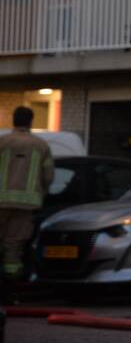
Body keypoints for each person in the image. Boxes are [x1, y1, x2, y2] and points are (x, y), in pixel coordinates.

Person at [0, 107, 54, 286]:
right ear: (31, 121)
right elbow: (48, 176)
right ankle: (10, 285)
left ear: (13, 120)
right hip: (27, 206)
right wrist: (40, 195)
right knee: (13, 245)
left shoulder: (2, 142)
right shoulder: (41, 145)